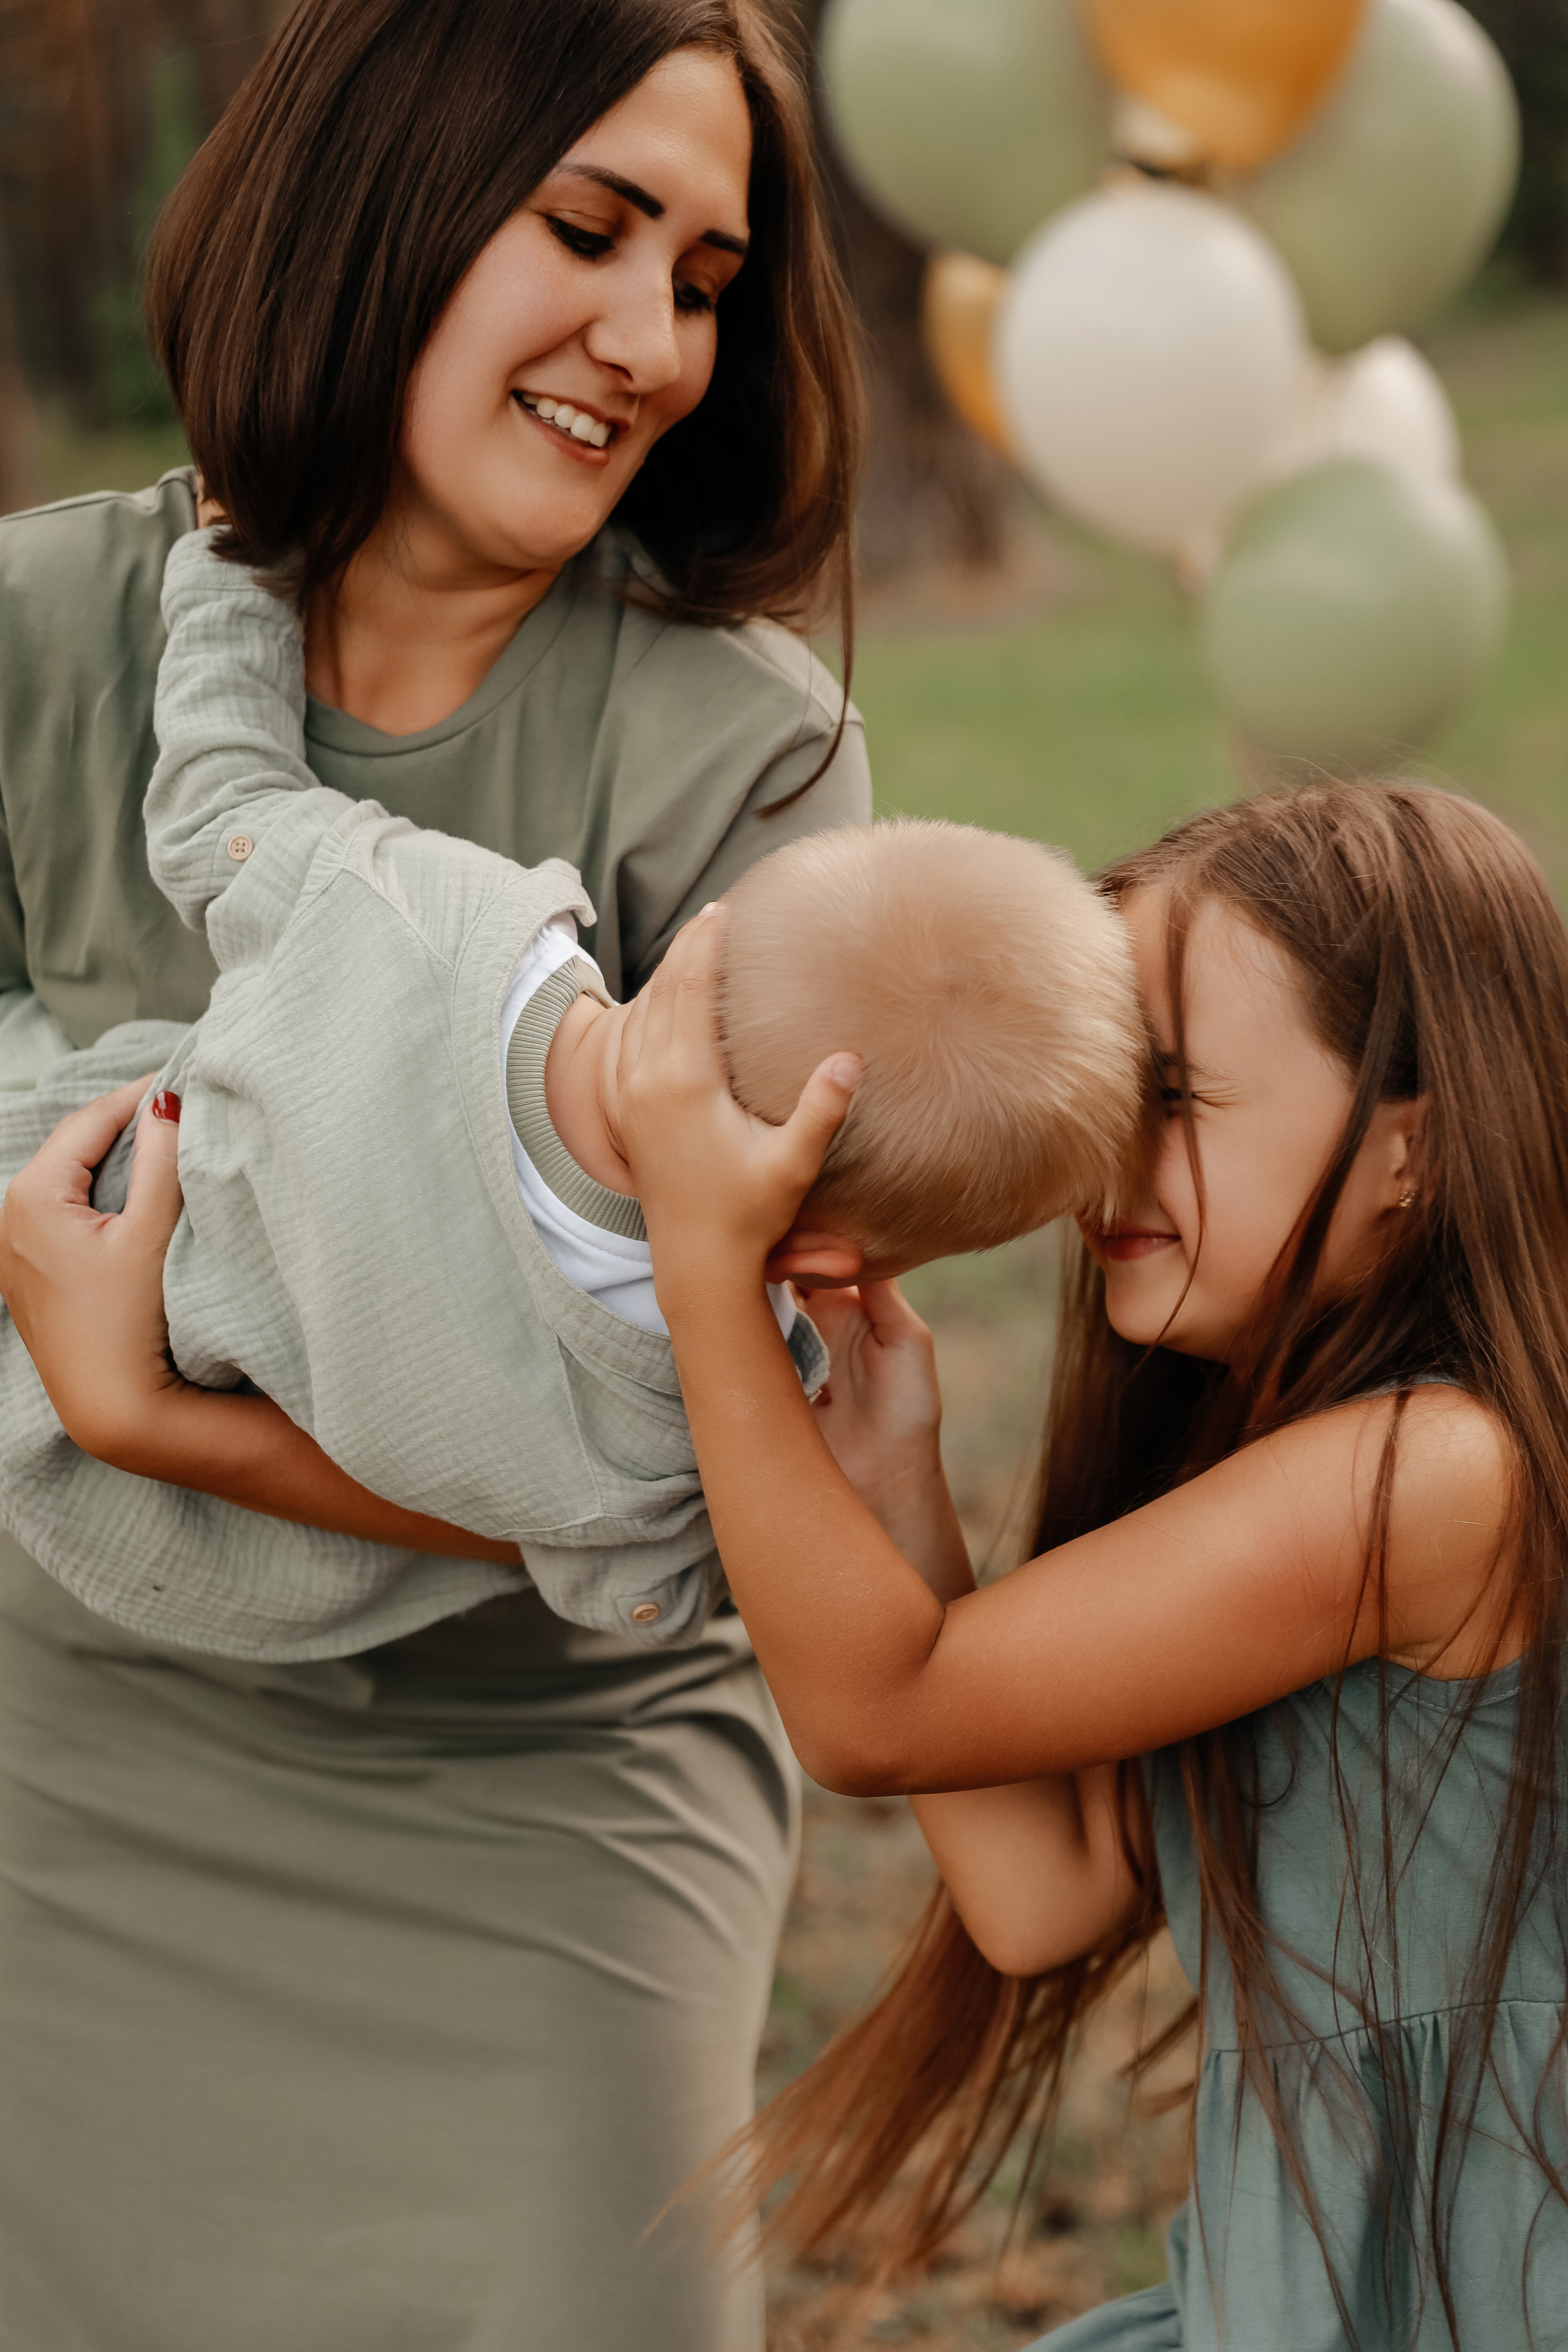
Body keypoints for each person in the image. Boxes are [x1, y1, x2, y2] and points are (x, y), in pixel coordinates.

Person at [0, 2, 873, 2345]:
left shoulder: (744, 761)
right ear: (368, 201)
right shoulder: (41, 639)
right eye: (586, 230)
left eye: (701, 274)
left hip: (546, 1777)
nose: (651, 339)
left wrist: (165, 1411)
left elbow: (724, 1466)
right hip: (68, 1753)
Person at [598, 778, 1568, 2350]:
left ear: (1413, 1147)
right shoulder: (1310, 1456)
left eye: (1175, 1096)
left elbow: (872, 1716)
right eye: (1111, 1088)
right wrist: (900, 1484)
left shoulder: (1427, 1479)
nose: (1111, 1152)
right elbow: (1042, 1897)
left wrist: (703, 1264)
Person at [0, 529, 1143, 1660]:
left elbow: (216, 796)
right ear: (833, 1265)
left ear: (709, 933)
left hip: (60, 1156)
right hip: (155, 1528)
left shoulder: (423, 914)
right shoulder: (685, 1421)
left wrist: (233, 563)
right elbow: (669, 1588)